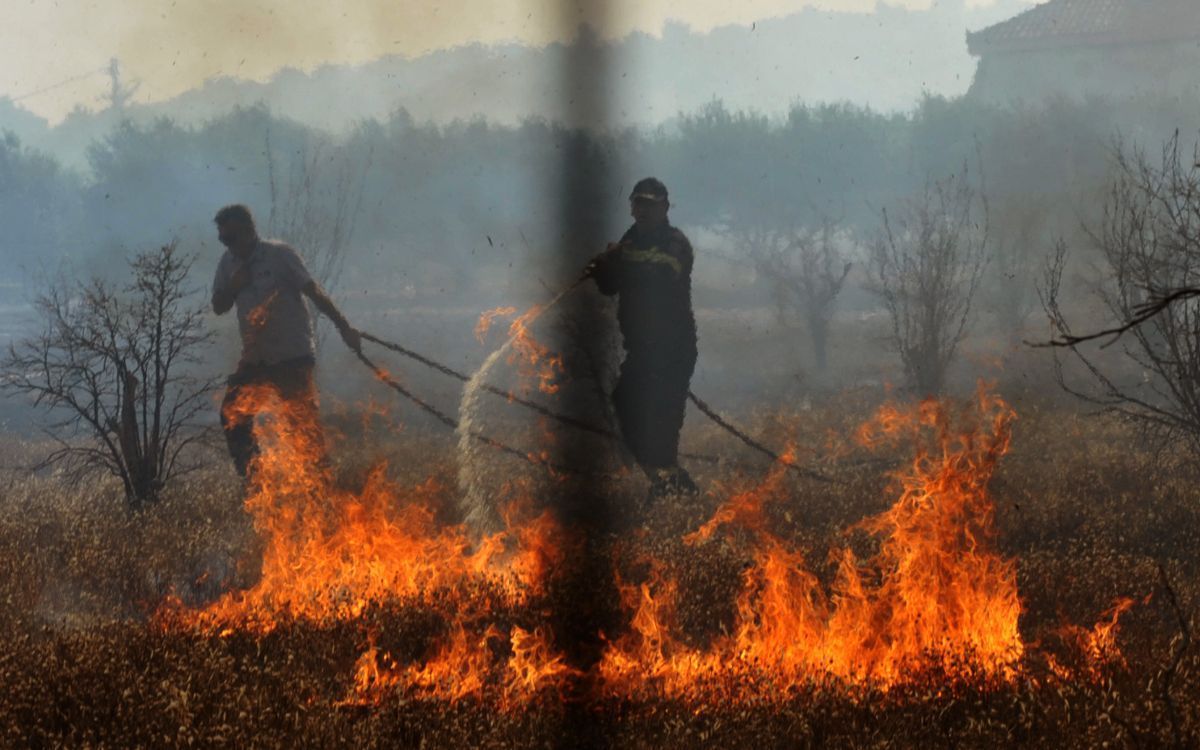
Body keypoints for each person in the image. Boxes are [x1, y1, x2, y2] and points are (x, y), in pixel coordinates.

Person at [210, 204, 361, 479]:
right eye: (223, 239)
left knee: (301, 428)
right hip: (256, 358)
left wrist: (344, 327)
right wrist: (233, 286)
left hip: (291, 356)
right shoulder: (228, 263)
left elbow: (313, 291)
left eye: (230, 237)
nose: (227, 244)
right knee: (232, 416)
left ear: (248, 230)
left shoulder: (279, 256)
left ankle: (322, 489)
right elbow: (218, 306)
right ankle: (256, 484)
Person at [585, 177, 699, 501]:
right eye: (639, 203)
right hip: (642, 351)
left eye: (651, 204)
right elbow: (612, 287)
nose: (644, 210)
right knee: (624, 407)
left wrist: (618, 264)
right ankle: (665, 483)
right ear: (632, 207)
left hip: (673, 350)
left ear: (665, 207)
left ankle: (677, 491)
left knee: (662, 425)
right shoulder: (629, 242)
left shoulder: (676, 244)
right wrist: (601, 270)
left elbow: (660, 277)